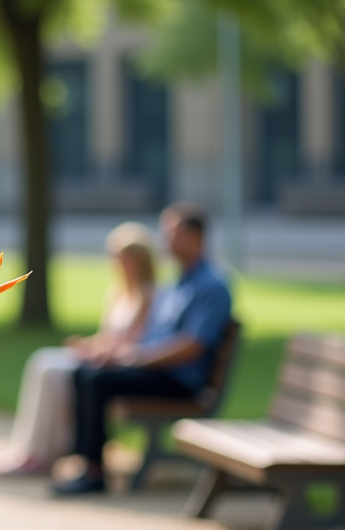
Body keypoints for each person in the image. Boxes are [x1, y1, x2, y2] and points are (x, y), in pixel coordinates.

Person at [54, 201, 232, 495]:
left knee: (97, 379)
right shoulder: (181, 282)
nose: (166, 241)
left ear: (195, 237)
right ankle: (87, 462)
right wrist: (120, 354)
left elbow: (194, 345)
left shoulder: (211, 285)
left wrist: (137, 357)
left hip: (180, 381)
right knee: (84, 372)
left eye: (173, 234)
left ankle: (93, 472)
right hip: (159, 370)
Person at [0, 222, 157, 477]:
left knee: (53, 373)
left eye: (125, 258)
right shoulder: (117, 293)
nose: (119, 264)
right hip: (102, 356)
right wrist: (88, 345)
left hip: (117, 363)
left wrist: (100, 351)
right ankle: (32, 449)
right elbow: (108, 337)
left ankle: (45, 452)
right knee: (42, 360)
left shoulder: (148, 296)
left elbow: (135, 343)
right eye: (116, 257)